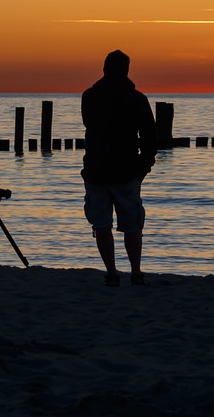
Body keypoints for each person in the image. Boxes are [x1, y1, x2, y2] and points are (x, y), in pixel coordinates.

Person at [81, 50, 158, 286]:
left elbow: (89, 125)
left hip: (97, 170)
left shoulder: (90, 96)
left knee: (101, 223)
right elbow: (150, 136)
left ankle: (112, 272)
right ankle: (135, 271)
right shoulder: (137, 99)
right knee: (132, 223)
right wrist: (144, 166)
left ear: (104, 69)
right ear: (126, 70)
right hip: (126, 170)